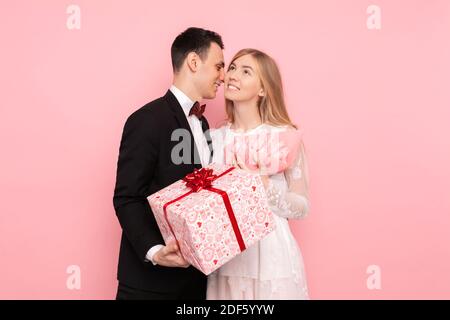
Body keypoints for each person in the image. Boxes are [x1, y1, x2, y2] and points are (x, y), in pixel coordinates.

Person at [113, 27, 225, 300]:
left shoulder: (203, 122)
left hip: (195, 282)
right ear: (194, 62)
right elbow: (127, 196)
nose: (223, 76)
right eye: (219, 66)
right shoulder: (146, 120)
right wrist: (155, 251)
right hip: (149, 285)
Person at [207, 49, 310, 299]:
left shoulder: (284, 136)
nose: (233, 75)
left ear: (263, 89)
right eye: (232, 68)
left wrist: (262, 185)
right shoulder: (214, 138)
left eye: (246, 71)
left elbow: (301, 207)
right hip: (228, 256)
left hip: (272, 257)